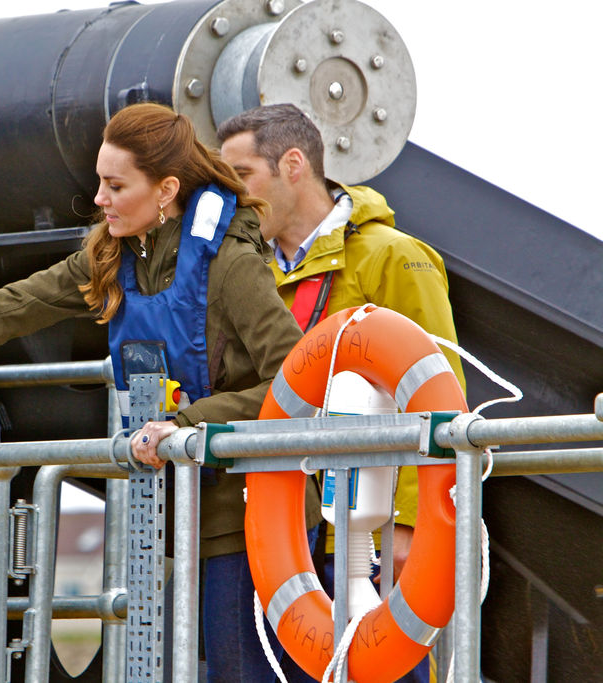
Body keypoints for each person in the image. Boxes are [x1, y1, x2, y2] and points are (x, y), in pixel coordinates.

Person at [0, 102, 320, 681]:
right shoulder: (111, 257)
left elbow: (294, 380)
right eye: (99, 182)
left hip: (251, 514)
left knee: (242, 672)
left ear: (165, 189)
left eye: (115, 185)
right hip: (170, 511)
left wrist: (187, 425)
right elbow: (8, 306)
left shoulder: (232, 264)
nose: (99, 199)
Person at [218, 103, 467, 683]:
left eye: (242, 178)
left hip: (367, 534)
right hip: (286, 531)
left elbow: (440, 397)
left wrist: (410, 524)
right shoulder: (251, 272)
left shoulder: (392, 256)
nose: (231, 198)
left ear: (294, 164)